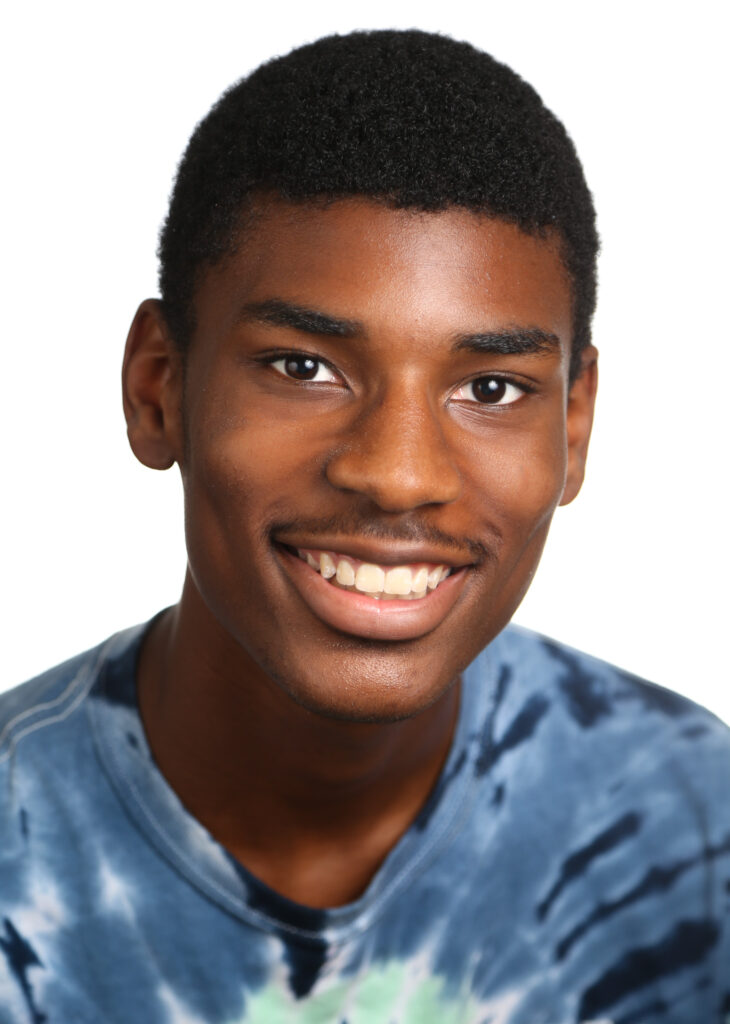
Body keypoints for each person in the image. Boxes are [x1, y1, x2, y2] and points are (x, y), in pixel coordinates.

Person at [1, 28, 728, 1024]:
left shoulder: (691, 824)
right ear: (158, 386)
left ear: (573, 423)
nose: (397, 475)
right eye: (303, 367)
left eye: (488, 386)